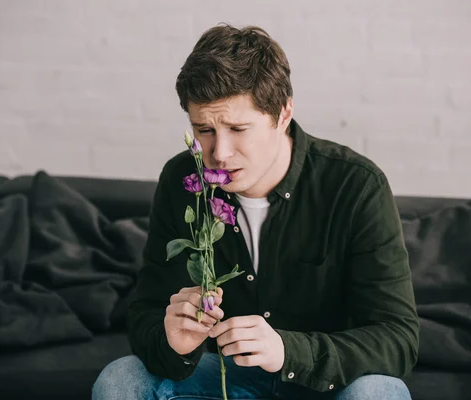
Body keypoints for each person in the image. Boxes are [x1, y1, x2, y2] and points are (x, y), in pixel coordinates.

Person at [93, 24, 419, 400]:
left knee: (378, 392)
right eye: (205, 130)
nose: (219, 154)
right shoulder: (182, 179)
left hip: (323, 383)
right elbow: (145, 312)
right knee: (121, 379)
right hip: (222, 378)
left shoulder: (356, 185)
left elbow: (398, 339)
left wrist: (288, 351)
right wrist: (172, 342)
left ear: (282, 114)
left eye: (238, 128)